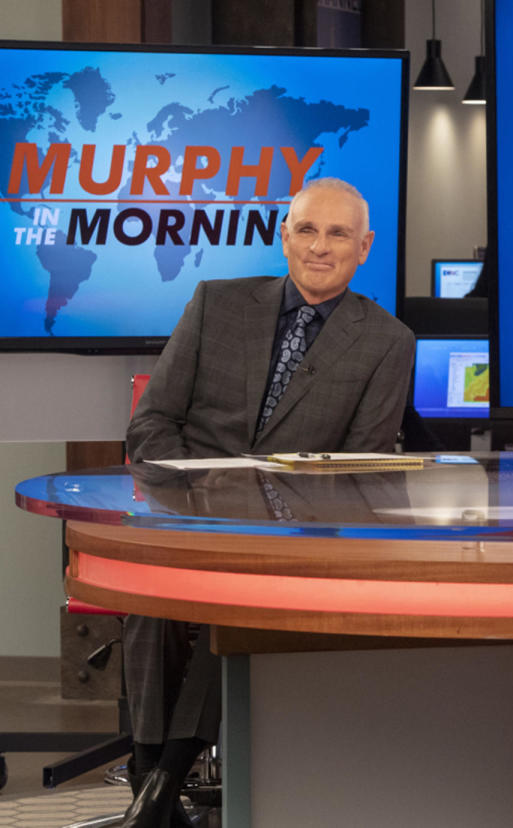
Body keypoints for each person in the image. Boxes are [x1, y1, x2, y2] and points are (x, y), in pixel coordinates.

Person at [121, 177, 414, 828]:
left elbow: (356, 476)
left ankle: (161, 785)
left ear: (364, 248)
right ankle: (152, 768)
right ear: (284, 235)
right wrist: (200, 491)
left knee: (230, 605)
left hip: (287, 537)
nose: (319, 246)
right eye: (307, 229)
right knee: (155, 601)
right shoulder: (216, 305)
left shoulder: (387, 342)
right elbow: (151, 426)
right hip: (189, 514)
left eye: (339, 234)